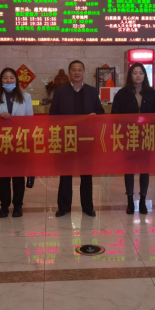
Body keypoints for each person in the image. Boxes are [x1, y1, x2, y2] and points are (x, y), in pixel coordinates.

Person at [50, 60, 104, 217]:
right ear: (69, 73)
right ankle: (64, 207)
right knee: (65, 174)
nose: (77, 72)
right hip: (67, 139)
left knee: (86, 175)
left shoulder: (92, 91)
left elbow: (100, 112)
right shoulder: (60, 92)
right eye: (74, 70)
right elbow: (52, 116)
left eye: (80, 69)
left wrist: (96, 115)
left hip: (86, 140)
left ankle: (87, 206)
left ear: (84, 73)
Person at [112, 63, 155, 215]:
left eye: (141, 73)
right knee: (129, 169)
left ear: (145, 75)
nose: (138, 76)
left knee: (144, 169)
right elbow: (115, 116)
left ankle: (142, 200)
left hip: (146, 136)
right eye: (135, 73)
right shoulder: (122, 94)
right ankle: (129, 200)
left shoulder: (152, 94)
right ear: (130, 75)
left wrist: (146, 121)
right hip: (129, 136)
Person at [0, 67, 33, 218]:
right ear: (1, 80)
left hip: (19, 141)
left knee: (19, 177)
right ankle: (4, 206)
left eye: (11, 77)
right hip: (1, 142)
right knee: (3, 178)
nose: (8, 80)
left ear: (16, 80)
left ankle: (18, 206)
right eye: (5, 78)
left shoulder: (26, 97)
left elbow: (30, 120)